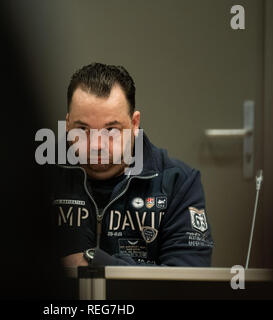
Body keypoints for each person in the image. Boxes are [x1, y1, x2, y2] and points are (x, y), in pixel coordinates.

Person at [50, 62, 214, 267]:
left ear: (134, 124)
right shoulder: (37, 174)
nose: (96, 145)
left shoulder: (177, 182)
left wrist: (93, 262)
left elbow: (187, 278)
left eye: (111, 130)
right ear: (67, 125)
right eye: (82, 129)